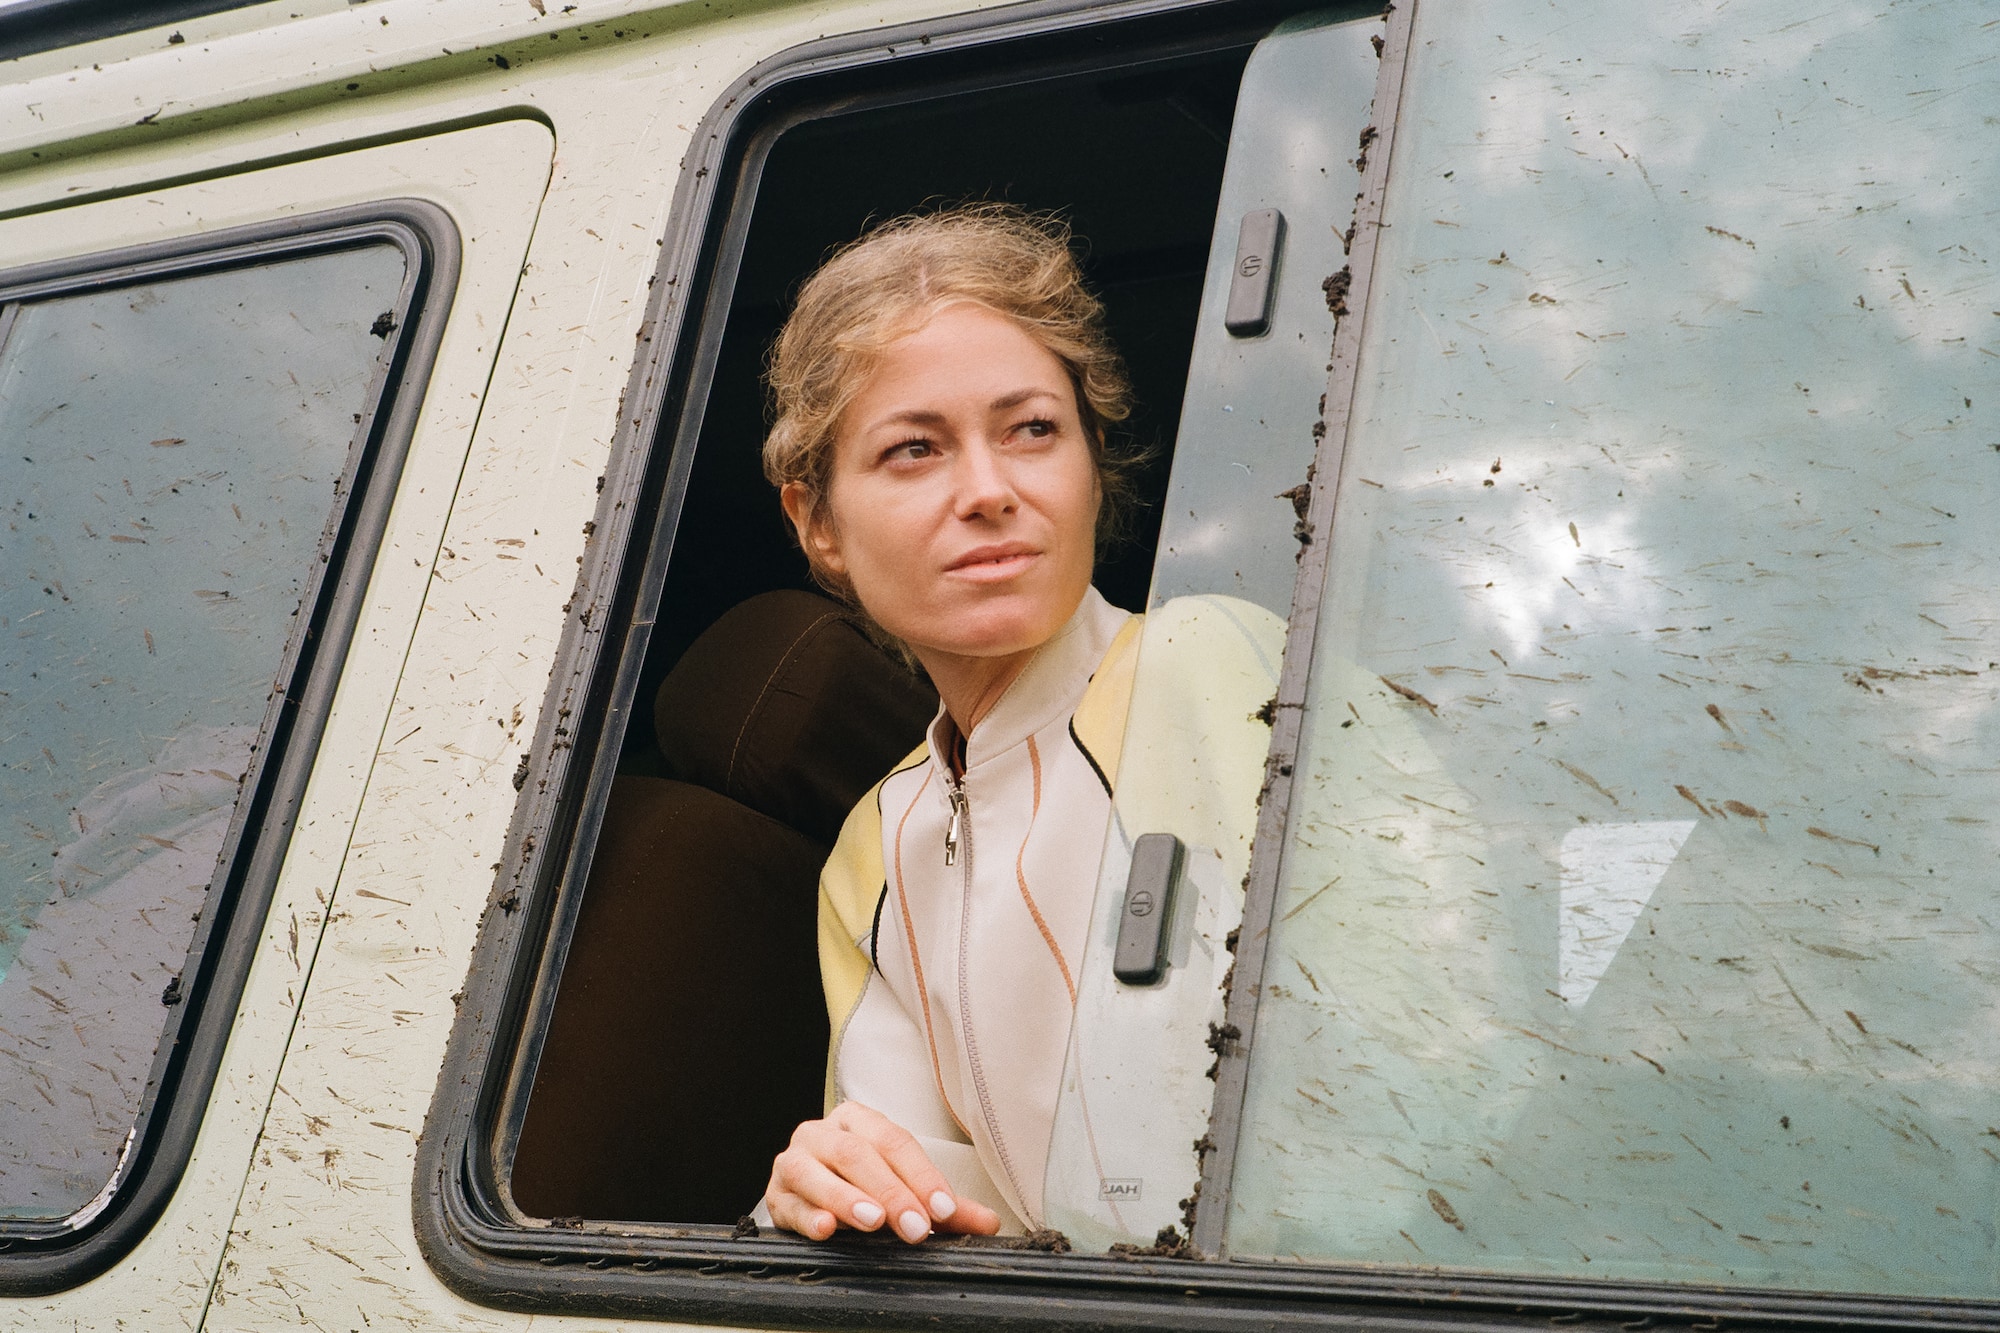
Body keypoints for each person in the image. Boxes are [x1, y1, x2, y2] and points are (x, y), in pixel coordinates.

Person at [757, 205, 1276, 1245]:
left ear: (1090, 461)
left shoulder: (1214, 660)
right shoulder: (872, 843)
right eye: (914, 450)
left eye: (1031, 429)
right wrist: (823, 1194)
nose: (989, 491)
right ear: (816, 523)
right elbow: (940, 1212)